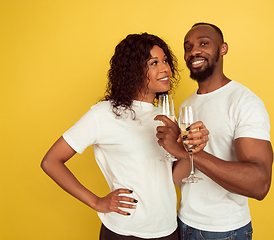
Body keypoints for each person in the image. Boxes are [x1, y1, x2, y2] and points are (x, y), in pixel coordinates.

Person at [41, 32, 209, 240]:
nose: (165, 68)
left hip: (168, 229)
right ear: (133, 69)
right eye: (154, 63)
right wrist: (97, 202)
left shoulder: (165, 116)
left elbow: (174, 177)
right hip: (124, 231)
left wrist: (190, 151)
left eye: (165, 61)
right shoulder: (104, 113)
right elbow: (51, 161)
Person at [155, 23, 274, 240]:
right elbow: (180, 177)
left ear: (223, 48)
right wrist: (179, 149)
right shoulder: (187, 105)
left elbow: (260, 184)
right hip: (184, 224)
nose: (194, 51)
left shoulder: (244, 102)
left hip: (223, 231)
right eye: (188, 47)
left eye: (204, 43)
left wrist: (192, 153)